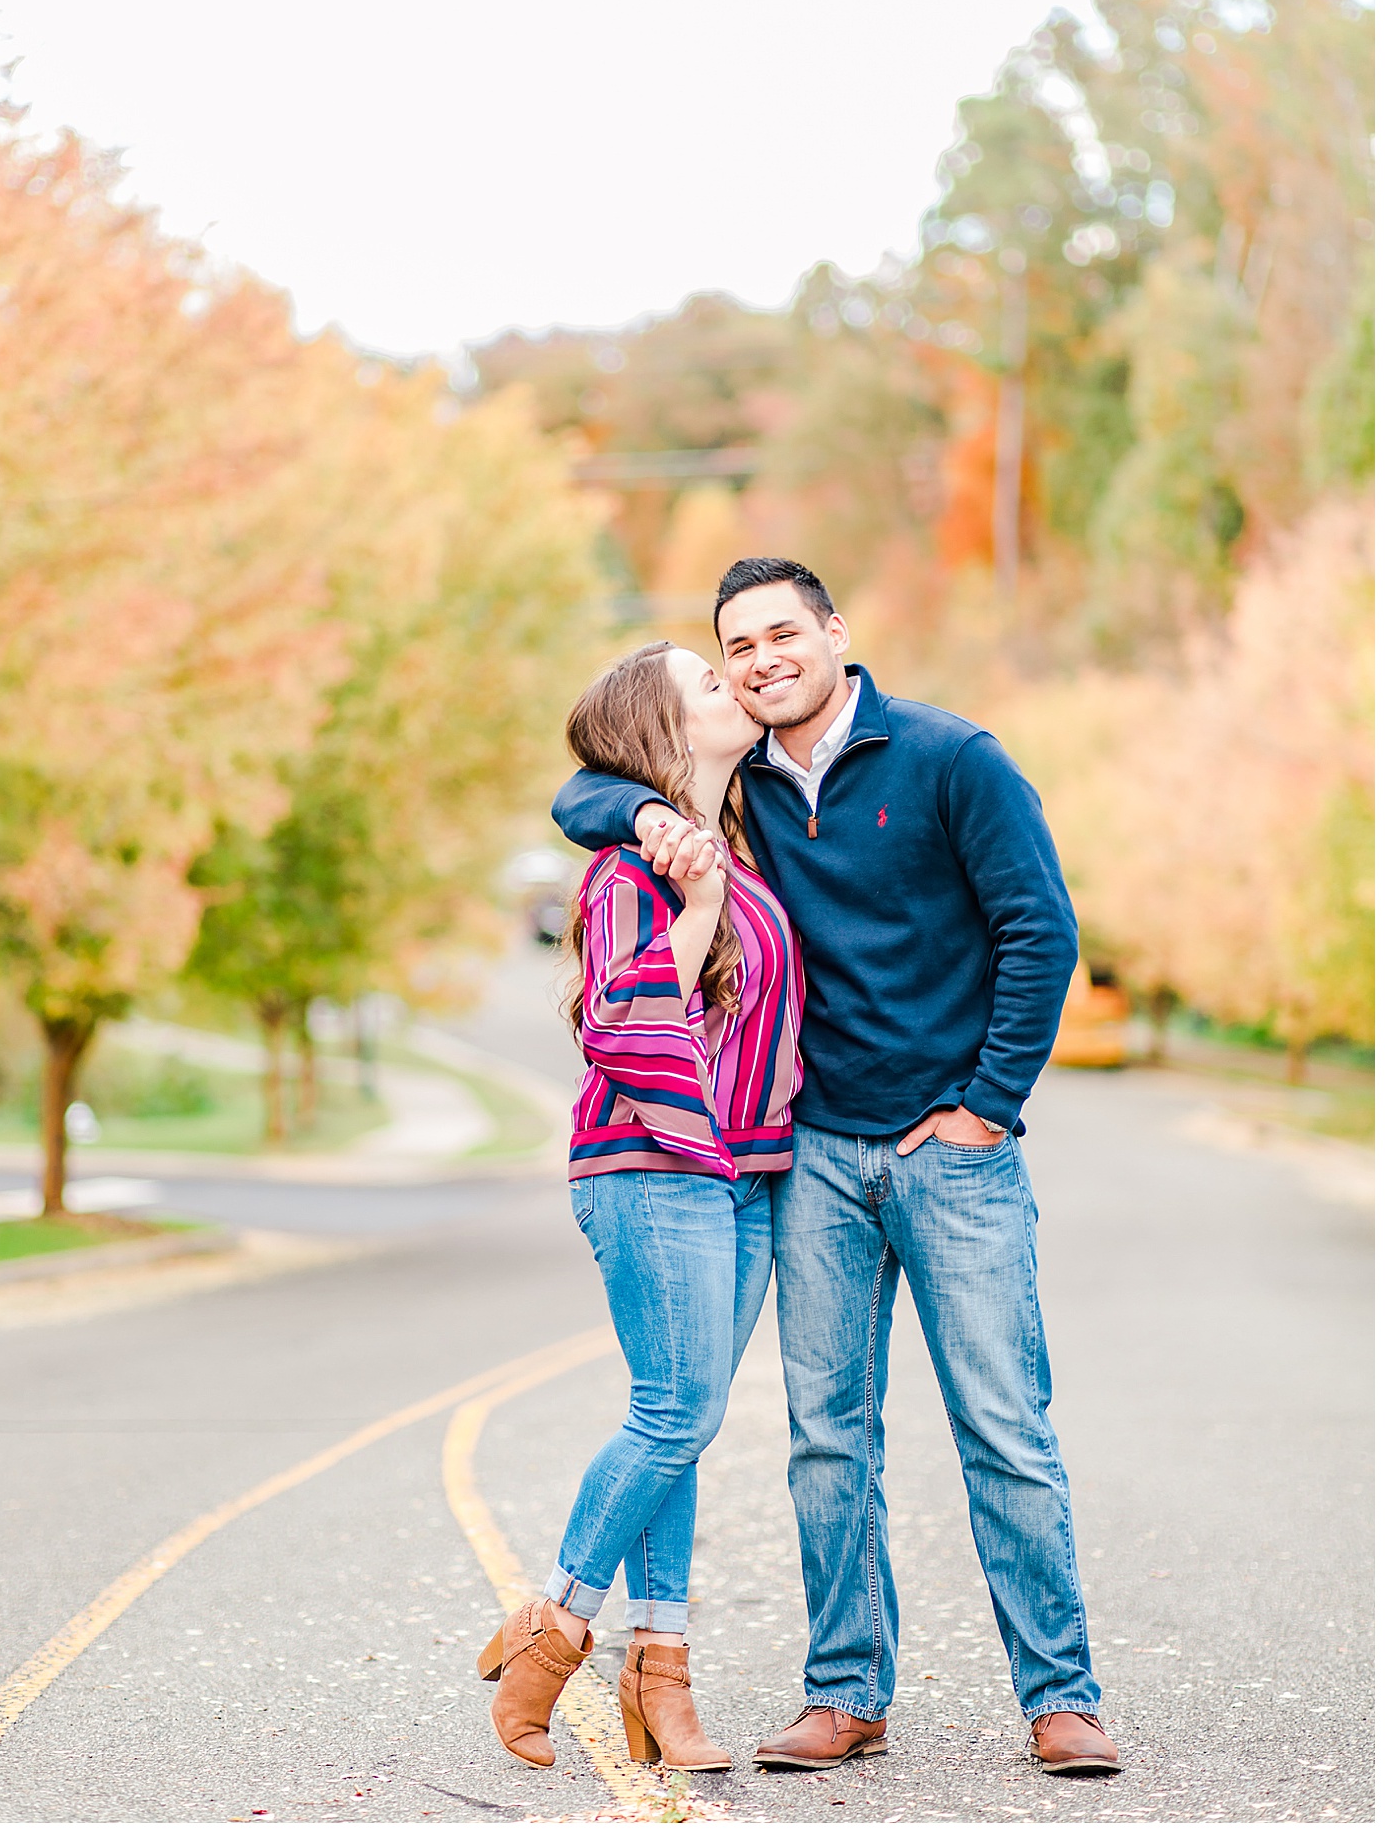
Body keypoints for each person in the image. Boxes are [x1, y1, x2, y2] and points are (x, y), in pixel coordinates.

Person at [552, 558, 1120, 1779]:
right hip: (811, 1157)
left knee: (1004, 1428)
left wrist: (987, 1107)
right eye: (735, 647)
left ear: (834, 634)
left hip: (951, 1154)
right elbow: (588, 787)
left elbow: (1041, 929)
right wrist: (643, 813)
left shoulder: (950, 757)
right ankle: (846, 1691)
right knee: (827, 1438)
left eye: (778, 634)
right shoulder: (738, 785)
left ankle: (1061, 1697)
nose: (760, 660)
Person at [478, 639, 804, 1773]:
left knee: (688, 1423)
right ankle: (555, 1625)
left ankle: (662, 1675)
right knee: (674, 1412)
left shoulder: (738, 848)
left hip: (746, 1173)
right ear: (662, 733)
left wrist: (719, 878)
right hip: (652, 1167)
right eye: (708, 684)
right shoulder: (632, 874)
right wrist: (701, 900)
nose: (736, 686)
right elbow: (623, 1020)